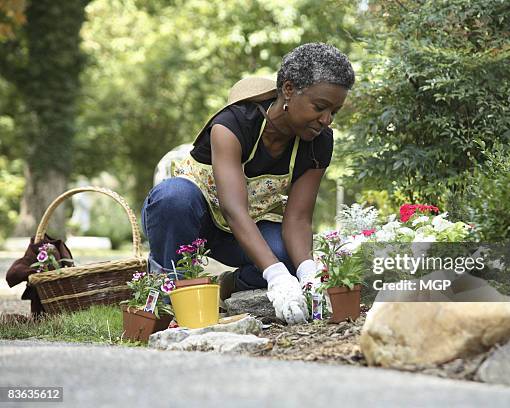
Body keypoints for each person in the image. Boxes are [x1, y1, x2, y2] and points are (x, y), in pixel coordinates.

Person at [141, 43, 355, 324]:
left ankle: (228, 285)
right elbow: (233, 209)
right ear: (288, 90)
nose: (326, 120)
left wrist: (306, 273)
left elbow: (299, 218)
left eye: (334, 112)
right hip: (191, 222)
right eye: (320, 107)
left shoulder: (318, 142)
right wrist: (276, 276)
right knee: (173, 197)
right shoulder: (233, 124)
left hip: (246, 232)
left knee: (287, 257)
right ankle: (169, 296)